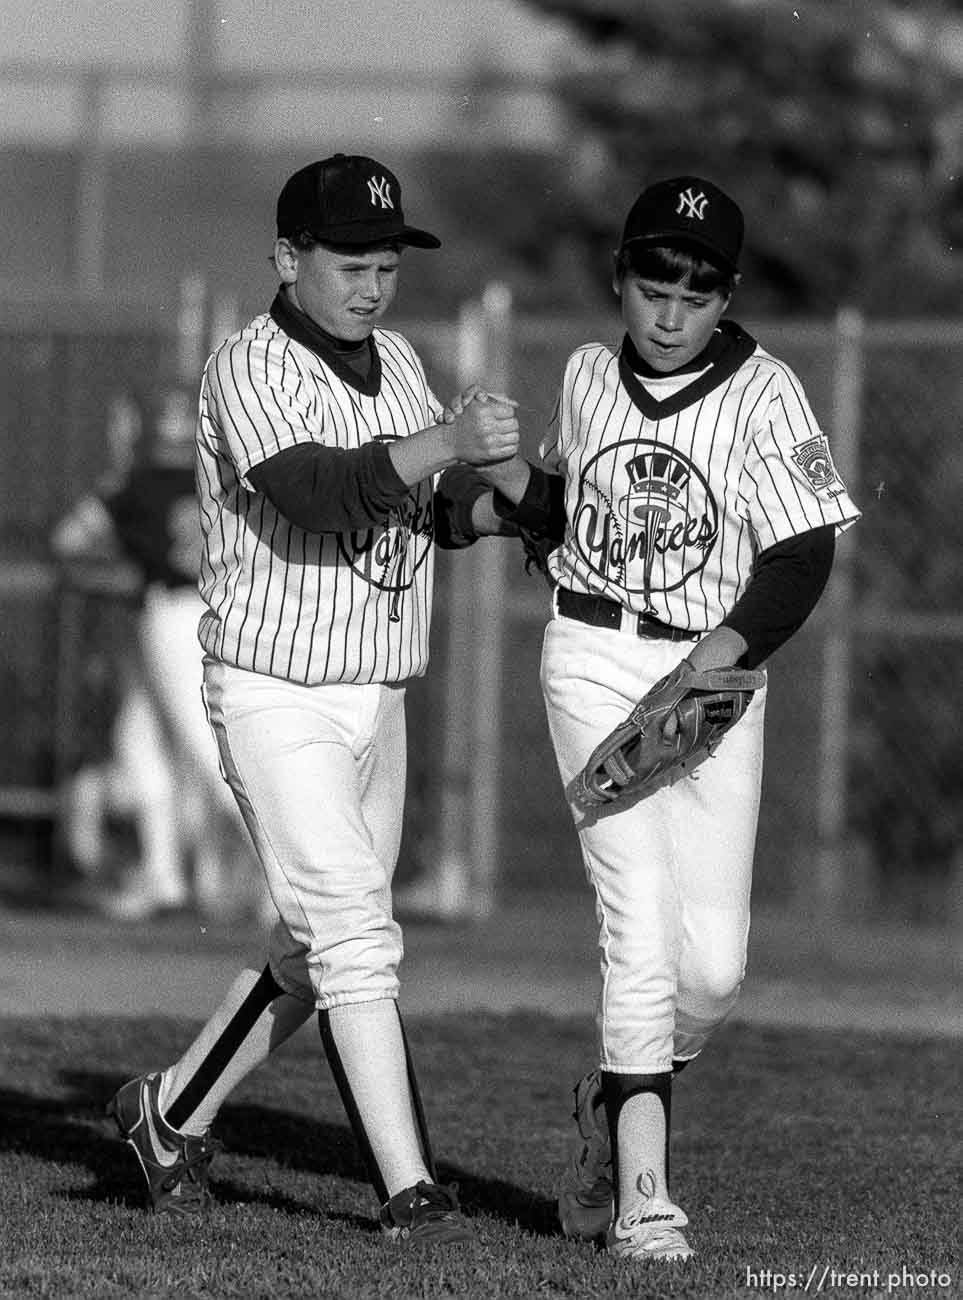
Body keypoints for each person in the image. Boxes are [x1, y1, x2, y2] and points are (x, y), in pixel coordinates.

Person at [106, 153, 520, 1246]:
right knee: (353, 934)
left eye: (386, 263)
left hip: (376, 691)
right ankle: (411, 1192)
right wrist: (443, 444)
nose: (373, 285)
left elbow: (429, 506)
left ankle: (170, 1110)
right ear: (289, 258)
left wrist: (513, 507)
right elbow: (324, 491)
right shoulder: (247, 366)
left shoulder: (396, 358)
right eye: (350, 262)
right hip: (274, 688)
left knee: (321, 938)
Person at [452, 176, 861, 1263]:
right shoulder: (589, 374)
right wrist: (495, 483)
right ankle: (645, 1195)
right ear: (620, 279)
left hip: (713, 675)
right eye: (653, 283)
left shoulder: (765, 391)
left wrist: (711, 664)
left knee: (713, 971)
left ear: (726, 295)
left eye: (698, 289)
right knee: (636, 921)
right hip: (590, 656)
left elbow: (801, 552)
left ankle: (613, 1105)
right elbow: (563, 516)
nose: (672, 311)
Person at [53, 386, 271, 923]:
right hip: (221, 612)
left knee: (208, 751)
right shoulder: (223, 481)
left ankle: (288, 878)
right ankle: (163, 878)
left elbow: (68, 544)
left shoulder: (134, 484)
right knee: (139, 740)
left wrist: (120, 573)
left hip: (170, 618)